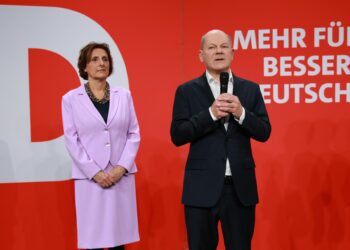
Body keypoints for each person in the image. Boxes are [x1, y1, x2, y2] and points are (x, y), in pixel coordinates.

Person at [170, 29, 271, 250]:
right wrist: (210, 115)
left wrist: (241, 113)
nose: (218, 52)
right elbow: (178, 135)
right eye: (212, 47)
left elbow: (264, 131)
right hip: (200, 190)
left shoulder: (250, 89)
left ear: (233, 53)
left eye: (224, 47)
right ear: (201, 55)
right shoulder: (187, 91)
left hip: (239, 191)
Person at [62, 42, 140, 250]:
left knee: (118, 240)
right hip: (90, 180)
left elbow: (133, 133)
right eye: (95, 59)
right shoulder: (70, 99)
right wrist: (95, 172)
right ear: (84, 66)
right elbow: (72, 139)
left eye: (105, 59)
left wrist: (121, 167)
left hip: (119, 176)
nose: (101, 63)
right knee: (93, 240)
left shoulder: (123, 96)